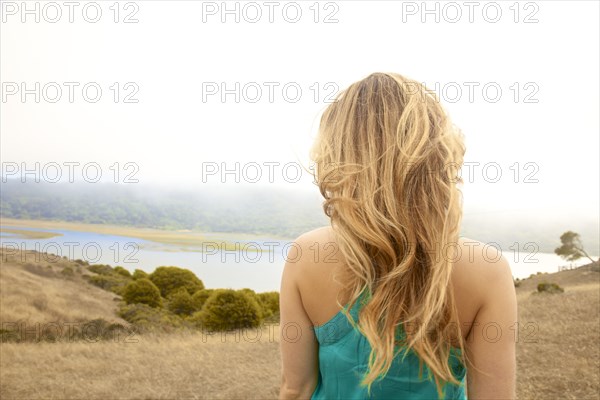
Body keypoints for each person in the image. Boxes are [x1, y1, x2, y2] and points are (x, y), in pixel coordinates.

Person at [278, 72, 517, 399]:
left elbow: (296, 388)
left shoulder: (306, 255)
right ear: (437, 154)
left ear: (338, 155)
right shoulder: (487, 271)